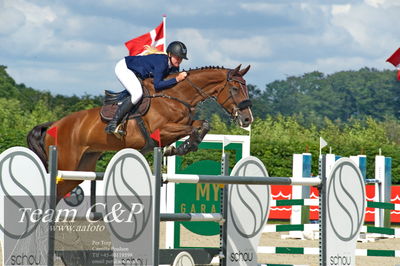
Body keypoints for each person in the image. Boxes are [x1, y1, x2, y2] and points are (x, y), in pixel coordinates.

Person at [105, 41, 188, 134]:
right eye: (177, 57)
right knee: (137, 94)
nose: (179, 60)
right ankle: (113, 123)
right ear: (169, 54)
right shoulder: (162, 62)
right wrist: (176, 79)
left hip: (137, 72)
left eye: (181, 58)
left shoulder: (174, 67)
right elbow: (158, 85)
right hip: (125, 68)